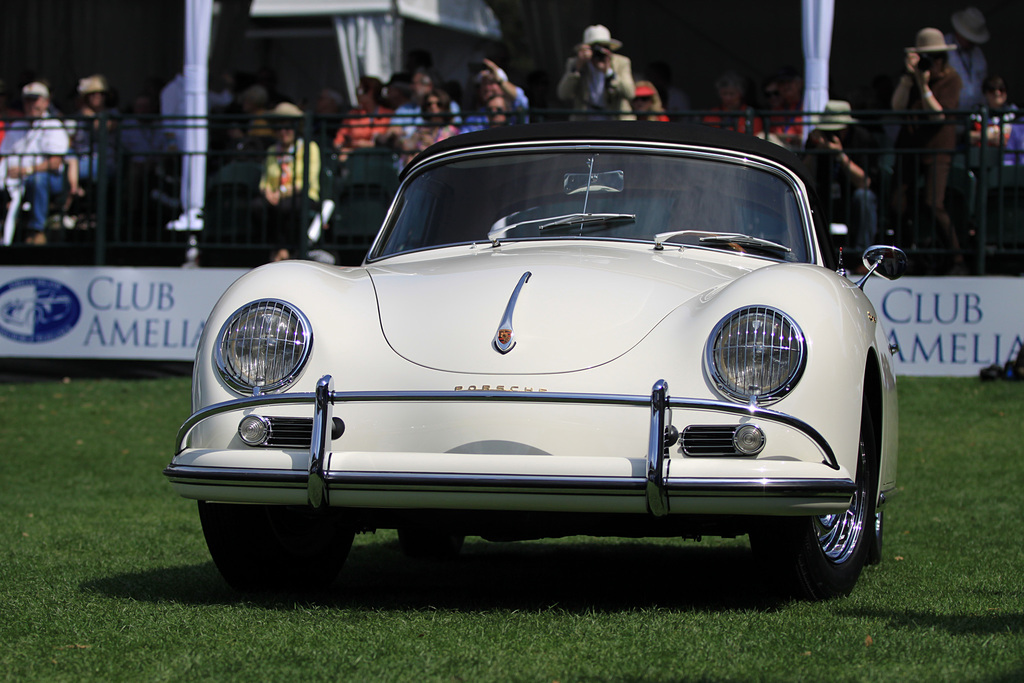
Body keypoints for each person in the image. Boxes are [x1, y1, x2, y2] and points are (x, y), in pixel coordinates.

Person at [891, 27, 966, 274]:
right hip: (910, 145)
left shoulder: (951, 79)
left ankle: (956, 258)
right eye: (926, 57)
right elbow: (897, 107)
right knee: (898, 203)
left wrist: (924, 86)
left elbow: (938, 114)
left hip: (937, 147)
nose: (931, 63)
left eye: (936, 57)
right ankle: (905, 256)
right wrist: (908, 78)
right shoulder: (912, 76)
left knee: (934, 203)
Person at [803, 100, 879, 259]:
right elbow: (804, 174)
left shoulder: (862, 138)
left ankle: (862, 256)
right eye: (829, 131)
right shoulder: (816, 139)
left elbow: (864, 182)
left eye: (837, 131)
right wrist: (815, 150)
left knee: (864, 197)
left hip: (850, 196)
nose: (832, 135)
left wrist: (840, 155)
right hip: (824, 194)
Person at [2, 82, 70, 244]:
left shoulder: (53, 126)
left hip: (50, 179)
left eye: (35, 100)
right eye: (27, 100)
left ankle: (36, 230)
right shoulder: (17, 126)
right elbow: (4, 155)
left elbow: (55, 163)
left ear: (46, 102)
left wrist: (27, 170)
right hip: (17, 179)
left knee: (38, 179)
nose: (31, 104)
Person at [257, 102, 321, 257]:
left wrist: (282, 192)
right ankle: (273, 249)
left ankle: (285, 249)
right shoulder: (272, 151)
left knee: (287, 206)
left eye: (287, 127)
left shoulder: (309, 148)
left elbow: (307, 180)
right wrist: (268, 193)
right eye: (279, 128)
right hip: (276, 196)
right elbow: (265, 180)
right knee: (257, 206)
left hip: (303, 195)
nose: (283, 132)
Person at [556, 24, 635, 120]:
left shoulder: (621, 62)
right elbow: (563, 94)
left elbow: (630, 93)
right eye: (595, 48)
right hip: (586, 120)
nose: (599, 52)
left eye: (604, 47)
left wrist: (608, 71)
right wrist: (577, 69)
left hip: (615, 120)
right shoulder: (576, 63)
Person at [392, 88, 460, 169]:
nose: (433, 107)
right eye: (429, 104)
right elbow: (407, 146)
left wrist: (431, 144)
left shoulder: (451, 130)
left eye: (438, 104)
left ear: (444, 107)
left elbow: (448, 154)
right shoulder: (421, 129)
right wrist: (408, 139)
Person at [460, 59, 529, 133]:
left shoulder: (513, 110)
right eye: (484, 83)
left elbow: (521, 100)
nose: (487, 88)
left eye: (492, 83)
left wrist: (500, 80)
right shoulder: (474, 119)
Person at [333, 76, 393, 160]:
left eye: (360, 91)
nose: (357, 94)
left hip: (379, 159)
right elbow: (339, 140)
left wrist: (361, 143)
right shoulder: (352, 114)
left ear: (370, 92)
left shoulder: (387, 114)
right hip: (354, 158)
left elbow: (387, 141)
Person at [946, 7, 990, 111]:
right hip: (951, 113)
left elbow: (983, 80)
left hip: (974, 114)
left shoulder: (978, 53)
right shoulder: (944, 47)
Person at [702, 71, 763, 135]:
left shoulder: (751, 115)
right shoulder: (712, 115)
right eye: (724, 94)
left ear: (741, 94)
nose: (728, 98)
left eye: (732, 94)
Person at [968, 75, 1016, 150]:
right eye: (991, 90)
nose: (997, 93)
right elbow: (967, 136)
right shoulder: (977, 113)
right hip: (981, 155)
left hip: (1008, 157)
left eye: (1001, 89)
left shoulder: (1014, 113)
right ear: (985, 93)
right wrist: (985, 136)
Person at [767, 66, 804, 149]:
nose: (785, 86)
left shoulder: (807, 106)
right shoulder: (776, 110)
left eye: (789, 82)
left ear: (799, 84)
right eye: (782, 83)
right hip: (780, 149)